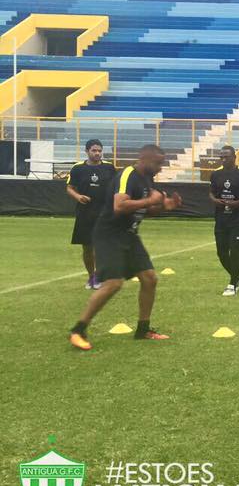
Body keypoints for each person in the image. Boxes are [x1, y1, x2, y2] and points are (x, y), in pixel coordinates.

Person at [69, 144, 181, 351]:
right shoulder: (127, 175)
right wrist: (150, 200)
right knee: (113, 284)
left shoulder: (147, 179)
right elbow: (119, 206)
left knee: (149, 278)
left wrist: (163, 206)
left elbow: (144, 210)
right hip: (109, 234)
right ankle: (78, 330)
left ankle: (143, 329)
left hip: (129, 235)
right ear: (145, 159)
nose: (160, 167)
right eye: (158, 163)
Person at [66, 139, 116, 290]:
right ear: (87, 151)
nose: (97, 153)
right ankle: (91, 277)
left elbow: (117, 187)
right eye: (94, 150)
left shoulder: (109, 168)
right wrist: (78, 197)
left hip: (105, 213)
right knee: (87, 247)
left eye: (99, 150)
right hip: (85, 213)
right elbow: (69, 188)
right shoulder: (77, 168)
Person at [209, 146, 239, 296]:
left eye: (226, 157)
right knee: (221, 253)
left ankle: (232, 284)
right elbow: (210, 192)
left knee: (234, 250)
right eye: (221, 157)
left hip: (238, 218)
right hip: (221, 218)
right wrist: (215, 200)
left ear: (234, 157)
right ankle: (237, 277)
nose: (223, 159)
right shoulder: (216, 175)